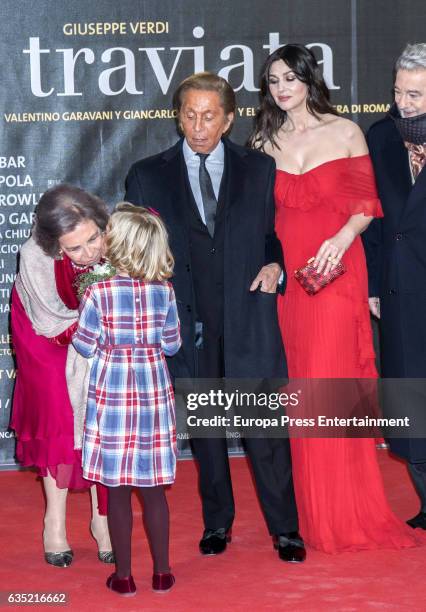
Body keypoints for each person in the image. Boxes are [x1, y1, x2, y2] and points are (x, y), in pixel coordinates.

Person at [124, 72, 306, 563]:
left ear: (228, 120)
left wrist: (276, 264)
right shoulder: (146, 174)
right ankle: (217, 524)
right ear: (177, 115)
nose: (197, 126)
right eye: (189, 114)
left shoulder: (259, 168)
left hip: (248, 317)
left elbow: (270, 235)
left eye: (209, 116)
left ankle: (285, 529)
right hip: (187, 325)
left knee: (265, 431)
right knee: (206, 435)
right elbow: (137, 253)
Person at [249, 43, 418, 552]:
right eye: (273, 80)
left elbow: (368, 205)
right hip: (291, 284)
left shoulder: (345, 131)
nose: (282, 88)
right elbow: (261, 223)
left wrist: (341, 240)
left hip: (336, 272)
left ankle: (345, 512)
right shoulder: (262, 140)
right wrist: (274, 260)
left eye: (290, 78)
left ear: (309, 80)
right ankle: (313, 511)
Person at [73, 204, 181, 596]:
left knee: (116, 491)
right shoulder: (164, 290)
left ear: (115, 246)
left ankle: (123, 577)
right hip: (153, 397)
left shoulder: (99, 292)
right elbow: (172, 344)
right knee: (153, 491)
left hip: (112, 397)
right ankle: (163, 573)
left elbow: (84, 346)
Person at [10, 184, 113, 566]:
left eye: (94, 239)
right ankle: (54, 520)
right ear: (56, 247)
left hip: (96, 324)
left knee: (102, 408)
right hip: (43, 330)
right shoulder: (34, 256)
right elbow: (51, 320)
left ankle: (102, 518)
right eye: (75, 249)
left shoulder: (115, 236)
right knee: (58, 411)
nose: (89, 253)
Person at [363, 43, 426, 531]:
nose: (402, 102)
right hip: (400, 286)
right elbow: (378, 218)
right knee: (409, 394)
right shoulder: (381, 136)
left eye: (415, 94)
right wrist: (373, 283)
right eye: (398, 91)